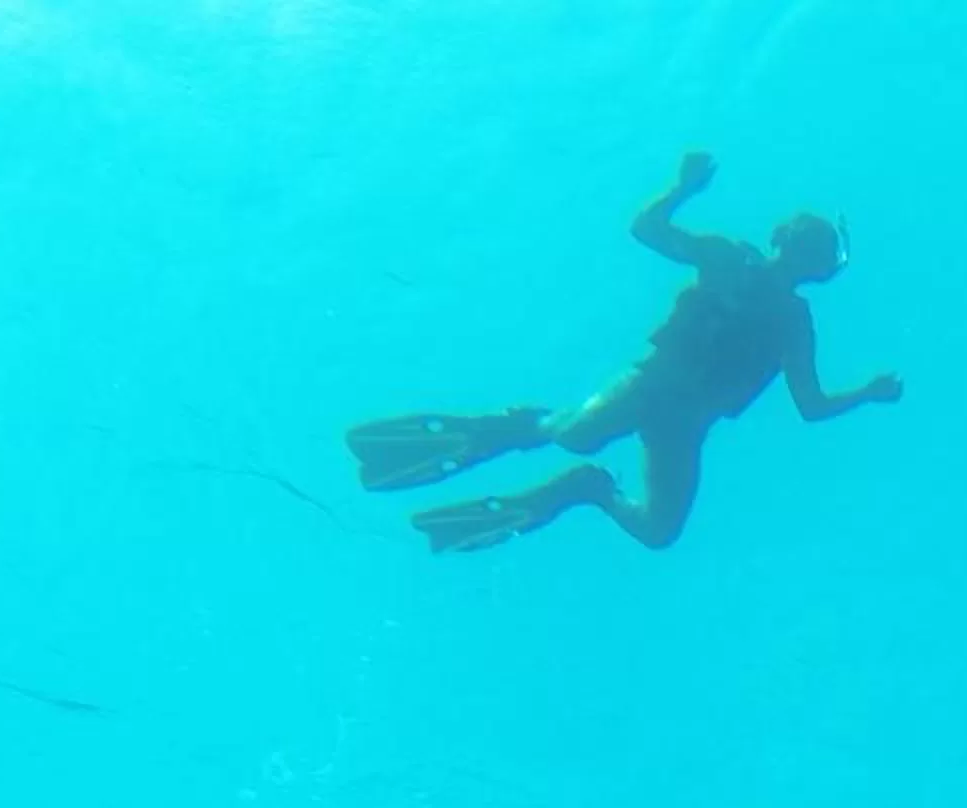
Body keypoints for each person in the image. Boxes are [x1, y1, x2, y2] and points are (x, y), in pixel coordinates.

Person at [344, 152, 902, 555]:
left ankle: (584, 487)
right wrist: (680, 188)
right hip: (656, 385)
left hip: (685, 419)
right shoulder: (735, 263)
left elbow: (810, 404)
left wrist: (868, 394)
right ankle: (512, 430)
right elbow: (648, 229)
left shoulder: (789, 317)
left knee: (657, 529)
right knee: (572, 434)